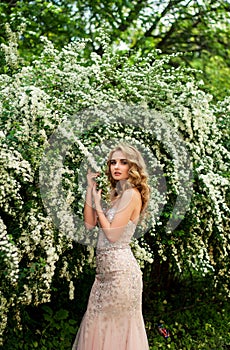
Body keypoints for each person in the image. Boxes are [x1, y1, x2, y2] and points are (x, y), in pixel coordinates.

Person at [72, 143, 150, 350]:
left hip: (122, 274)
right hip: (103, 276)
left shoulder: (131, 194)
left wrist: (98, 205)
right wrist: (90, 192)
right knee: (95, 326)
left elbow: (113, 235)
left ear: (132, 167)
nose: (117, 166)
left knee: (113, 331)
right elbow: (89, 224)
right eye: (113, 162)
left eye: (123, 162)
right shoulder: (116, 196)